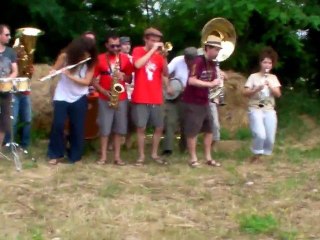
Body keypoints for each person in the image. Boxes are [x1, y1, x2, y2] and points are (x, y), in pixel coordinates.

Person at [47, 36, 98, 165]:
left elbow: (86, 82)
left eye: (89, 51)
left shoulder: (91, 61)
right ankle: (56, 154)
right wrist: (52, 72)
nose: (86, 54)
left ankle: (75, 156)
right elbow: (54, 69)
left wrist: (70, 76)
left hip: (79, 96)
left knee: (77, 127)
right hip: (62, 95)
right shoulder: (65, 56)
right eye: (84, 51)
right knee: (58, 124)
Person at [131, 27, 171, 166]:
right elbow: (137, 64)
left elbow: (165, 73)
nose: (155, 43)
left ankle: (154, 154)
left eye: (157, 41)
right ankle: (141, 156)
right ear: (145, 39)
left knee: (159, 127)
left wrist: (165, 58)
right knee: (141, 127)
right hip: (141, 96)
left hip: (156, 96)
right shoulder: (137, 50)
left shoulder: (159, 56)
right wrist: (153, 50)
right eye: (152, 40)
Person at [181, 35, 223, 167]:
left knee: (210, 129)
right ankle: (193, 159)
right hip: (193, 102)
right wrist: (210, 84)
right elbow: (191, 80)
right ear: (208, 48)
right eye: (216, 50)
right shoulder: (197, 61)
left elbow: (213, 82)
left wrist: (219, 81)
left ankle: (208, 157)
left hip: (205, 101)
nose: (217, 53)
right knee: (192, 131)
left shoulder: (212, 63)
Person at [92, 32, 133, 165]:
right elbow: (93, 80)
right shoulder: (100, 59)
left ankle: (117, 157)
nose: (116, 49)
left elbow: (130, 78)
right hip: (105, 97)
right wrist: (102, 90)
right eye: (112, 46)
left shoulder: (125, 59)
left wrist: (123, 76)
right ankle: (103, 156)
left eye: (118, 46)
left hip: (120, 98)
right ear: (106, 45)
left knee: (119, 129)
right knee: (105, 129)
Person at [243, 47, 281, 163]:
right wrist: (256, 89)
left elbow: (278, 94)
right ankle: (256, 154)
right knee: (260, 134)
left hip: (269, 109)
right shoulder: (253, 77)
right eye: (265, 62)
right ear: (260, 63)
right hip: (255, 108)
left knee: (270, 137)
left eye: (269, 63)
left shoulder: (273, 78)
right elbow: (245, 93)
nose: (267, 65)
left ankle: (263, 155)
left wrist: (271, 86)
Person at [162, 47, 198, 156]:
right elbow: (165, 73)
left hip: (190, 97)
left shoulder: (199, 64)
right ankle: (167, 149)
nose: (189, 62)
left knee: (187, 123)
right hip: (174, 96)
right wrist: (168, 86)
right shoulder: (178, 60)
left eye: (191, 60)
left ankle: (184, 148)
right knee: (170, 121)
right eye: (187, 60)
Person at [0, 24, 18, 152]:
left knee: (4, 121)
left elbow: (15, 71)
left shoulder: (10, 52)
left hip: (5, 90)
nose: (9, 37)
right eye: (6, 34)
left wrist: (8, 79)